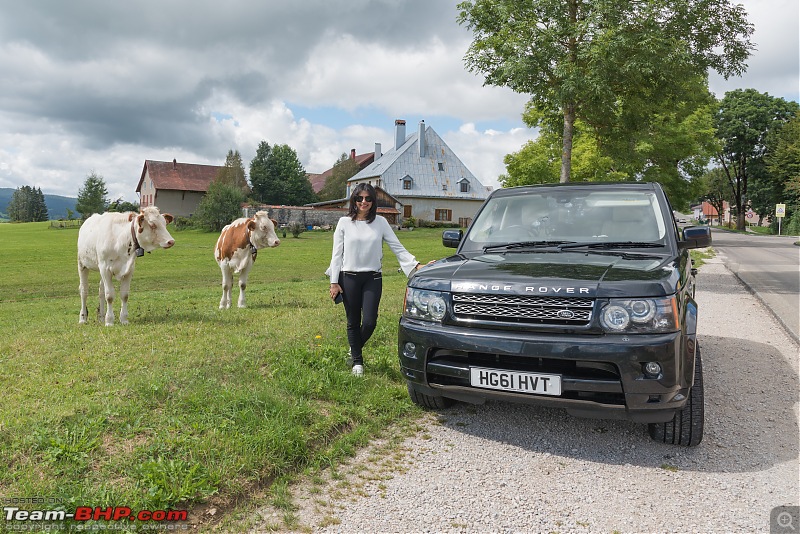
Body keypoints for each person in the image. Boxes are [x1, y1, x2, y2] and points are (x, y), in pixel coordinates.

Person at [327, 183, 423, 376]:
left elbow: (397, 246)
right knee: (353, 321)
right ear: (354, 200)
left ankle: (354, 350)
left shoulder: (380, 222)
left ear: (373, 201)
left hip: (372, 278)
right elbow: (336, 254)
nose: (364, 202)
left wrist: (416, 265)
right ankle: (357, 362)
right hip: (349, 278)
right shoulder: (344, 223)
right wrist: (334, 282)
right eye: (360, 198)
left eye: (368, 198)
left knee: (370, 321)